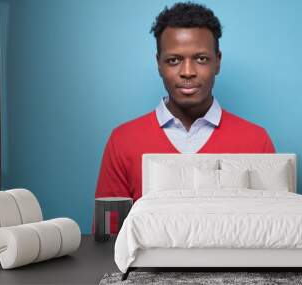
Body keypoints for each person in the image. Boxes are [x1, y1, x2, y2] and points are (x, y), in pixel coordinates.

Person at [94, 2, 275, 233]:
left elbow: (270, 230)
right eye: (174, 60)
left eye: (200, 59)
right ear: (158, 63)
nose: (187, 71)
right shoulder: (123, 140)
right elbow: (109, 238)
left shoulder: (256, 140)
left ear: (217, 61)